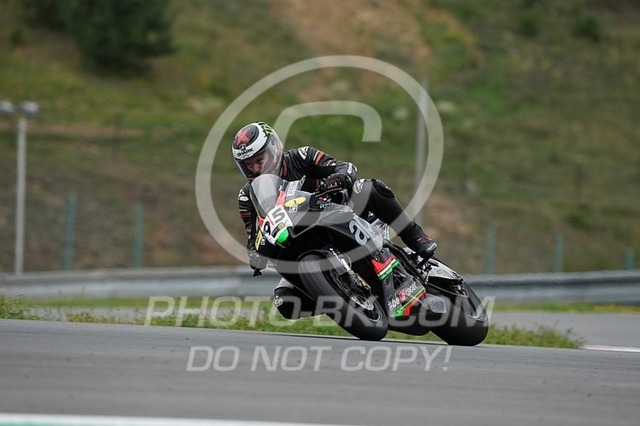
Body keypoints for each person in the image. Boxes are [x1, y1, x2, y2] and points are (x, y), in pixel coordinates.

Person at [232, 121, 437, 319]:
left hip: (341, 214)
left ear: (274, 149)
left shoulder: (301, 157)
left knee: (369, 188)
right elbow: (253, 235)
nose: (255, 169)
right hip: (299, 243)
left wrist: (339, 177)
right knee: (285, 302)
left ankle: (416, 237)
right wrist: (256, 255)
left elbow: (344, 167)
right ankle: (342, 300)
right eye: (248, 165)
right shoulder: (247, 197)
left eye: (259, 161)